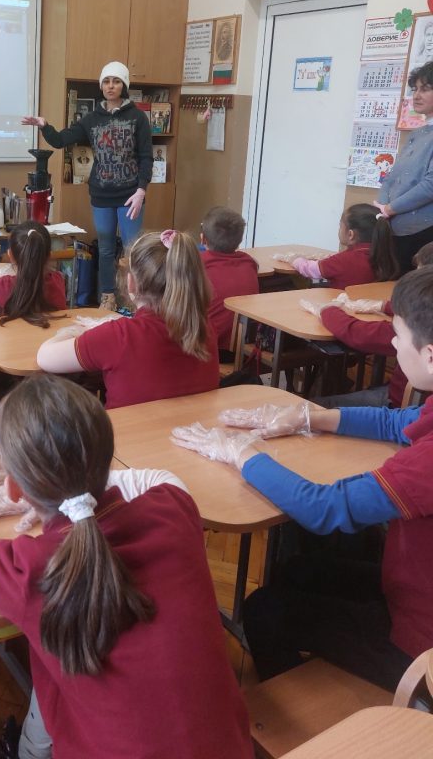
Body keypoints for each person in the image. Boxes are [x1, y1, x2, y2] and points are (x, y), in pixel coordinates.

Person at [0, 375, 253, 759]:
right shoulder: (173, 511)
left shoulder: (29, 568)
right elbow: (160, 477)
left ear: (13, 488)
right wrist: (67, 493)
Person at [170, 266, 433, 692]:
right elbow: (399, 422)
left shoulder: (426, 465)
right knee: (295, 570)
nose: (393, 344)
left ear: (430, 356)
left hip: (419, 647)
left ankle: (314, 713)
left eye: (398, 336)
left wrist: (241, 453)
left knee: (264, 609)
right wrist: (309, 416)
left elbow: (324, 509)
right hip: (411, 586)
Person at [22, 61, 152, 311]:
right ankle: (108, 297)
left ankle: (135, 300)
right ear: (101, 86)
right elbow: (60, 140)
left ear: (124, 85)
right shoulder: (91, 119)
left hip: (131, 195)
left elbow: (147, 157)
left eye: (116, 81)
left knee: (133, 252)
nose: (110, 86)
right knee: (105, 249)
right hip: (101, 194)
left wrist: (141, 190)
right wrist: (45, 126)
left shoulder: (138, 117)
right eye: (106, 81)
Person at [37, 230, 219, 408]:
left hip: (128, 430)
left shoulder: (118, 335)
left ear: (131, 283)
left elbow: (44, 357)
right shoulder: (204, 328)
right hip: (194, 426)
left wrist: (75, 331)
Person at [300, 242, 433, 410]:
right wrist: (383, 306)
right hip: (402, 398)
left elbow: (359, 334)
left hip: (397, 403)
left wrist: (327, 311)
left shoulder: (419, 327)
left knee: (314, 407)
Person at [375, 60, 433, 273]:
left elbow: (430, 185)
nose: (416, 95)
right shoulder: (418, 133)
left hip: (422, 230)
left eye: (425, 89)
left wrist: (390, 208)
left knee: (411, 289)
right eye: (415, 89)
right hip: (396, 226)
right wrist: (382, 206)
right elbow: (393, 176)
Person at [0, 221, 66, 326]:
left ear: (10, 255)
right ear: (49, 256)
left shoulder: (4, 285)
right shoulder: (58, 280)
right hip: (49, 335)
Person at [286, 202, 398, 289]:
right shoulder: (385, 255)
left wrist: (295, 259)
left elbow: (311, 269)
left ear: (350, 234)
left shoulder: (343, 260)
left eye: (340, 226)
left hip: (342, 305)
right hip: (369, 306)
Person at [200, 206, 259, 359]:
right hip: (244, 347)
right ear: (240, 241)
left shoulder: (198, 263)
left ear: (203, 239)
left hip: (210, 348)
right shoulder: (249, 262)